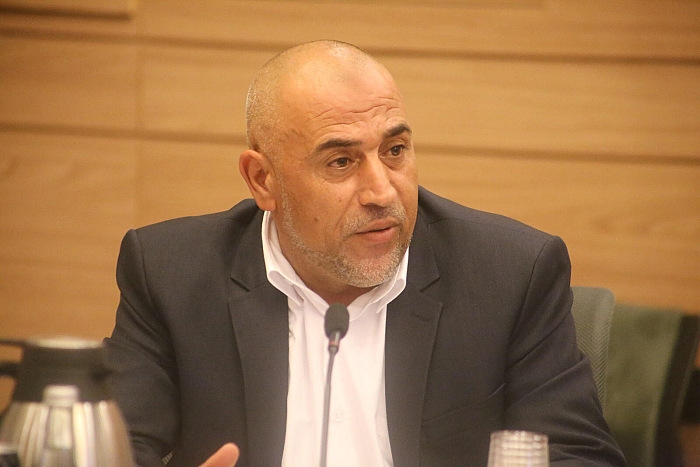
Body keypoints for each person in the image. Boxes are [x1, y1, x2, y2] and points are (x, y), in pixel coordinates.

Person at [105, 40, 626, 467]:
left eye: (395, 151)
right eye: (340, 162)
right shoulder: (170, 274)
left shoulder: (510, 274)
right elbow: (111, 451)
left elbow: (577, 457)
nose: (381, 191)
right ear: (263, 180)